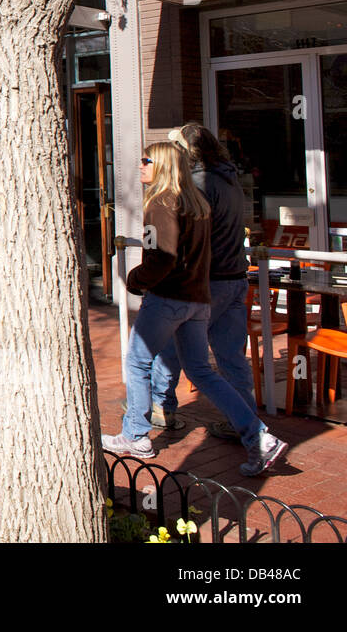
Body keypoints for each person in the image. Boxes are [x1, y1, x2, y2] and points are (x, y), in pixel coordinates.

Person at [102, 142, 286, 477]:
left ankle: (135, 436)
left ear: (163, 166)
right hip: (198, 301)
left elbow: (161, 259)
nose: (140, 165)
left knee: (138, 361)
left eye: (146, 160)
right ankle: (258, 436)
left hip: (169, 298)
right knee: (201, 371)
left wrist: (135, 279)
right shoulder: (197, 204)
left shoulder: (160, 205)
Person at [150, 123, 254, 439]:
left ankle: (161, 408)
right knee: (231, 354)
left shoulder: (197, 185)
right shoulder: (231, 180)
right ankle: (243, 419)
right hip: (235, 277)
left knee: (171, 346)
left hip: (204, 282)